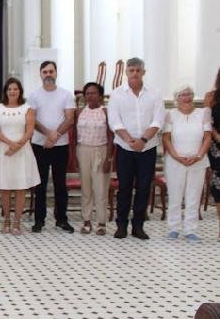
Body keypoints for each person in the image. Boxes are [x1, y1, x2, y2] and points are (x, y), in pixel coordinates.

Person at [107, 57, 165, 240]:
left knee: (143, 188)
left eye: (137, 70)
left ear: (143, 72)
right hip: (125, 148)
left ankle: (138, 226)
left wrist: (143, 140)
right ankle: (121, 225)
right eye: (131, 70)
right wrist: (131, 141)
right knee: (124, 187)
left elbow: (158, 120)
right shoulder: (116, 94)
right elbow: (114, 121)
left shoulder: (154, 93)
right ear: (126, 72)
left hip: (147, 148)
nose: (134, 73)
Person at [27, 61, 76, 233]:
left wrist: (54, 137)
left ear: (56, 73)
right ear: (40, 74)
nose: (48, 74)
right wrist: (49, 134)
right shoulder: (33, 95)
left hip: (61, 146)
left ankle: (61, 219)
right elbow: (31, 119)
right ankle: (39, 220)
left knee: (60, 184)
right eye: (45, 71)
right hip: (39, 145)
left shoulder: (66, 95)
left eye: (51, 71)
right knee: (40, 184)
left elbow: (70, 118)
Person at [0, 78, 40, 235]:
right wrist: (9, 143)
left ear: (20, 91)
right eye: (9, 89)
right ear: (5, 91)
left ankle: (17, 222)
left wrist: (17, 145)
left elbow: (30, 130)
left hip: (22, 151)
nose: (12, 91)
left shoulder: (27, 108)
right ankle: (6, 221)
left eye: (15, 89)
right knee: (5, 187)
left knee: (20, 187)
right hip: (4, 150)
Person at [162, 85, 211, 242]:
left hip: (198, 161)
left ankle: (191, 230)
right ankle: (173, 228)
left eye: (189, 94)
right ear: (177, 98)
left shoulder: (203, 113)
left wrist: (198, 155)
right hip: (175, 162)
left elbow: (208, 137)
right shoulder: (170, 114)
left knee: (193, 195)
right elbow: (166, 138)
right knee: (175, 195)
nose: (187, 97)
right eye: (183, 94)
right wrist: (177, 156)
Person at [74, 82, 113, 235]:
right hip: (83, 149)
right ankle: (87, 220)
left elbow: (111, 136)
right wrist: (75, 157)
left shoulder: (106, 112)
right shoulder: (79, 112)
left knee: (101, 188)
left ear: (100, 95)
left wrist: (108, 158)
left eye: (94, 93)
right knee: (86, 188)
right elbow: (75, 135)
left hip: (101, 150)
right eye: (88, 93)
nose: (90, 96)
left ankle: (102, 223)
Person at [204, 68, 220, 240]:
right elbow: (207, 121)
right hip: (217, 147)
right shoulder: (211, 96)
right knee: (219, 188)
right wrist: (216, 135)